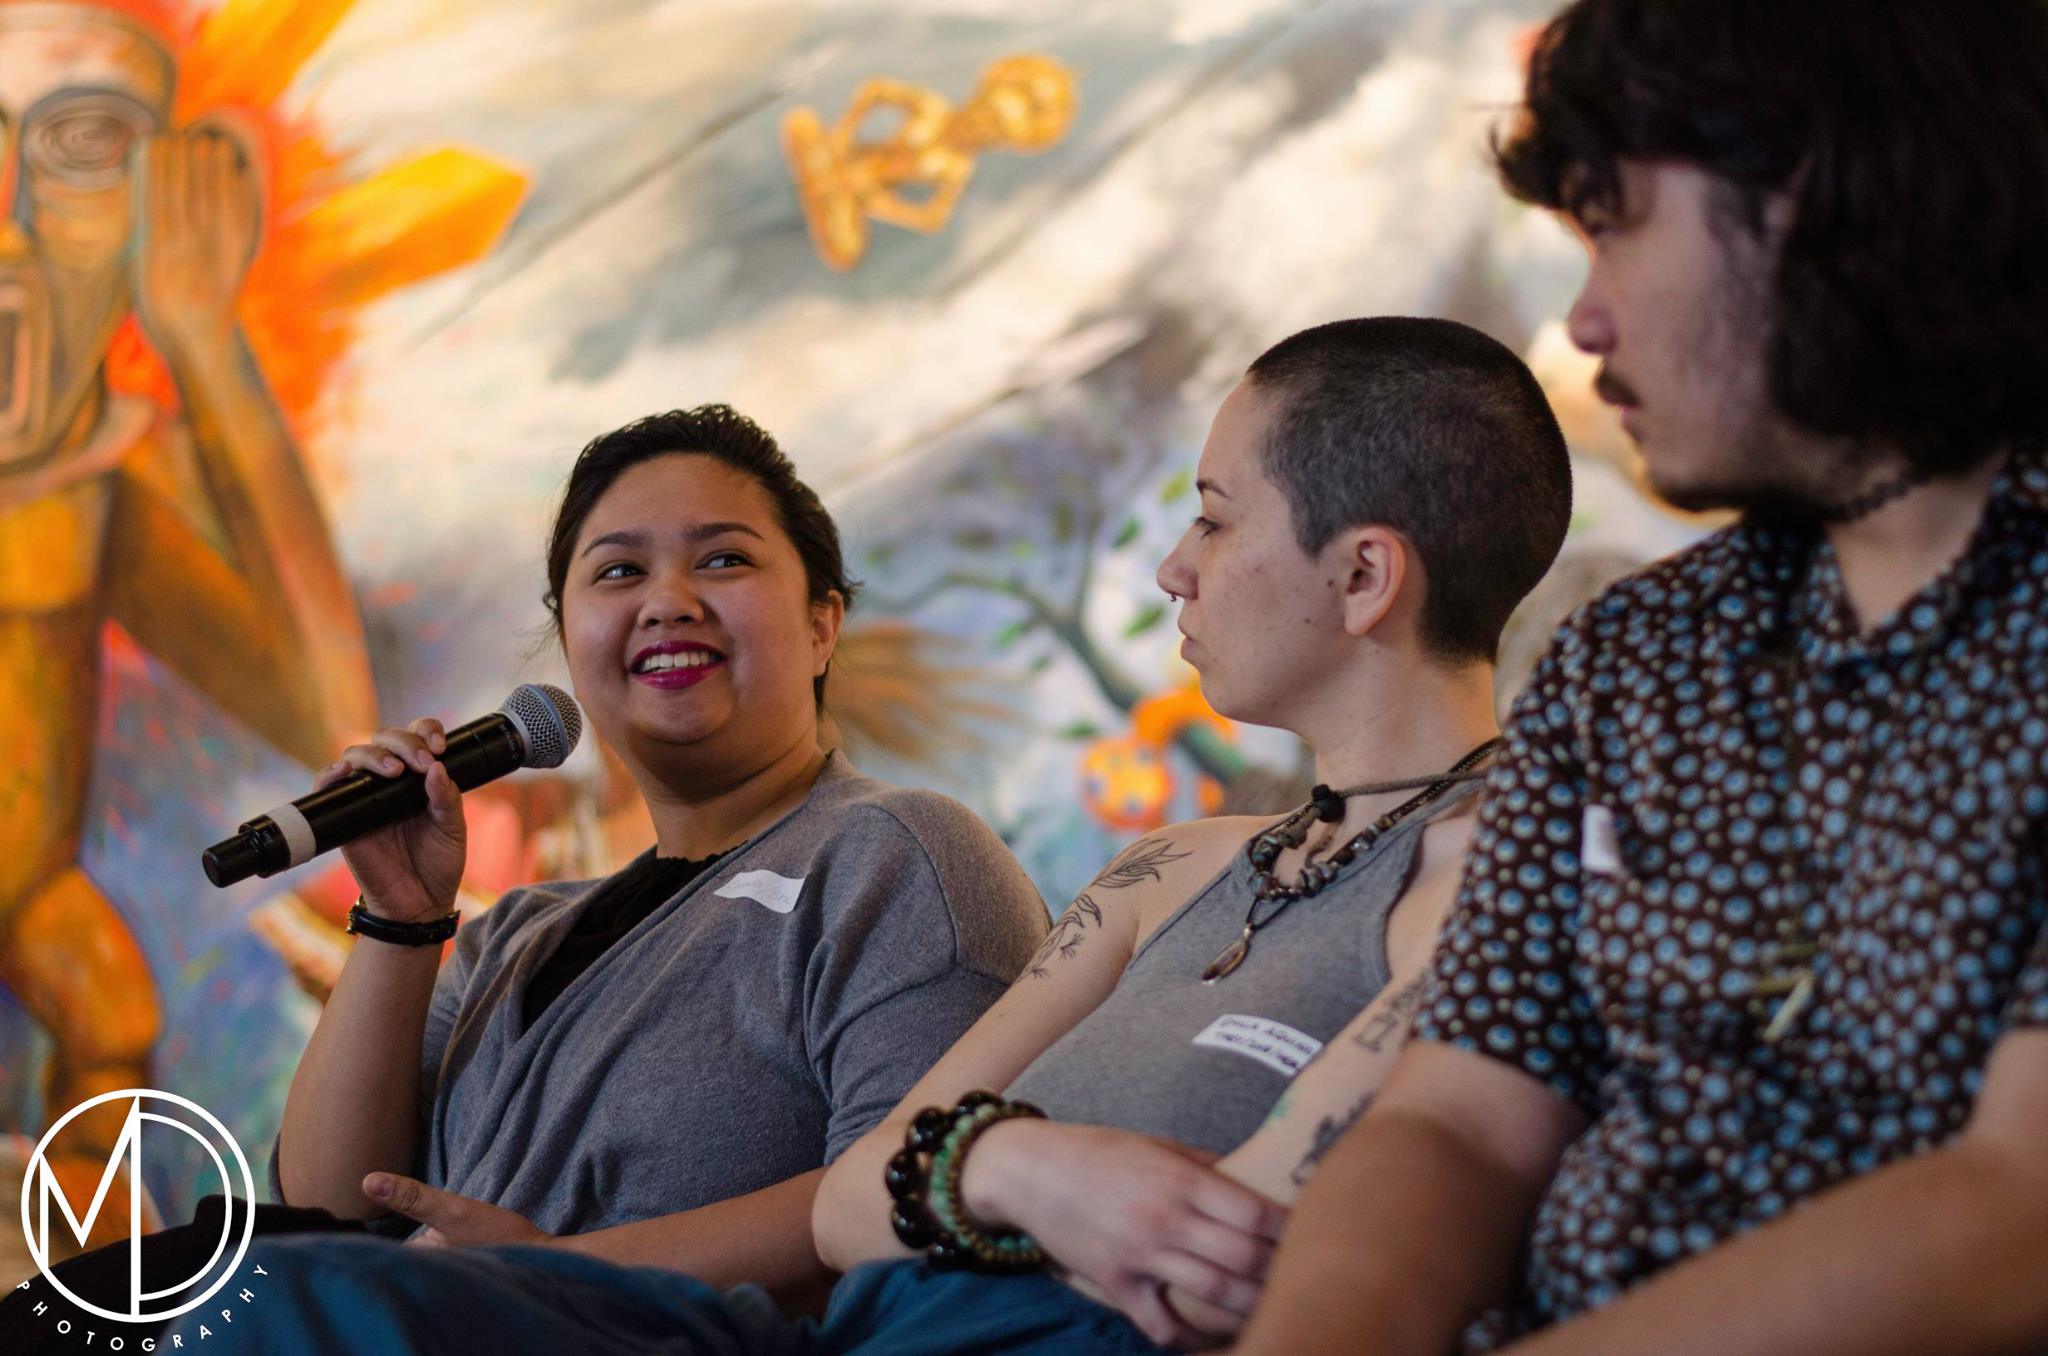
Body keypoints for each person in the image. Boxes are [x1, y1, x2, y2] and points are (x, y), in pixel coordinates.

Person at [197, 315, 1575, 1355]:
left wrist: (962, 1175)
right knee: (184, 1288)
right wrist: (1020, 1163)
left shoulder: (1503, 874)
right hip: (890, 1323)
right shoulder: (1174, 865)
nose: (1174, 567)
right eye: (616, 572)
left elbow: (1216, 1247)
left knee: (250, 1305)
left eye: (1212, 520)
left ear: (1364, 573)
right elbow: (863, 1198)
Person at [1235, 4, 2048, 1354]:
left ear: (1817, 198)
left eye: (1616, 227)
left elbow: (2020, 1211)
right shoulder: (1637, 655)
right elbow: (1460, 1116)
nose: (1585, 316)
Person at [1, 405, 1048, 1347]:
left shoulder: (897, 854)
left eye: (722, 561)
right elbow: (328, 1194)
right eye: (618, 572)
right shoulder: (517, 933)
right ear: (566, 639)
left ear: (822, 623)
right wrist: (400, 919)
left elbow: (914, 1191)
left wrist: (551, 1279)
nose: (667, 600)